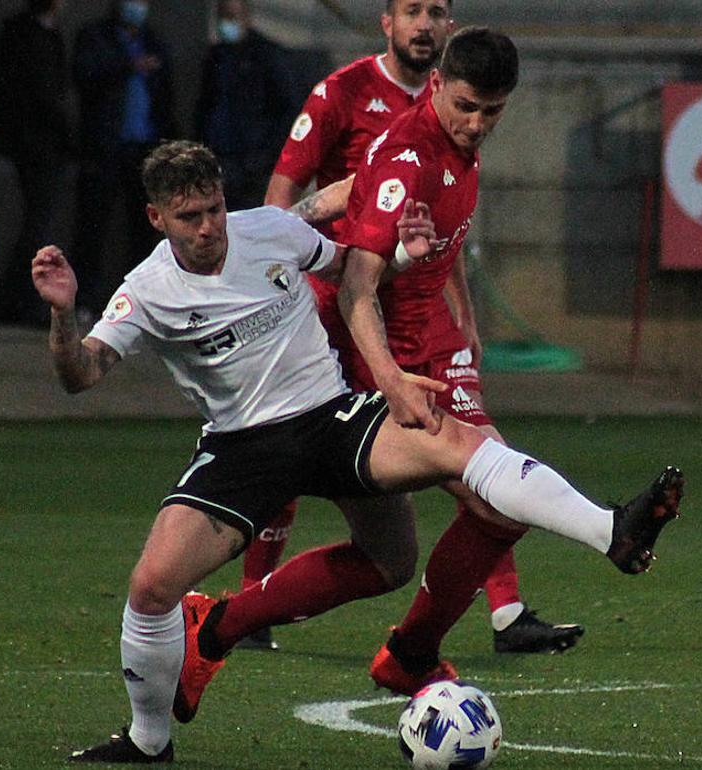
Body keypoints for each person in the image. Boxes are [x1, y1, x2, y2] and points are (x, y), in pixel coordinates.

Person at [31, 140, 683, 763]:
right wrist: (63, 316)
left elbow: (348, 271)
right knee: (151, 588)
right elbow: (81, 374)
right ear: (158, 217)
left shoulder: (271, 230)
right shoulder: (147, 288)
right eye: (189, 218)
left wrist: (399, 257)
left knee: (433, 486)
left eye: (214, 210)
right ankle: (149, 741)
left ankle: (612, 530)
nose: (208, 228)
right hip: (243, 449)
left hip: (332, 419)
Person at [252, 0, 583, 657]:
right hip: (348, 303)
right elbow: (290, 195)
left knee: (478, 454)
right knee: (288, 459)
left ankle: (504, 611)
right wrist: (267, 265)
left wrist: (460, 306)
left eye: (437, 10)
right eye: (413, 9)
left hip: (418, 309)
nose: (425, 23)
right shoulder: (343, 93)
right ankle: (250, 603)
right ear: (388, 21)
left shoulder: (463, 118)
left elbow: (440, 225)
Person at [335, 25, 580, 694]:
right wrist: (386, 376)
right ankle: (234, 617)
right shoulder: (369, 114)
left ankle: (476, 623)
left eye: (493, 112)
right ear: (437, 84)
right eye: (468, 107)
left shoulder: (455, 150)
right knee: (477, 500)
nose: (478, 125)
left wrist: (467, 316)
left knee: (496, 497)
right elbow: (358, 277)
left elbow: (443, 243)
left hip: (433, 337)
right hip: (376, 346)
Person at [73, 0, 178, 317]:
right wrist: (127, 66)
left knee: (144, 230)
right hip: (104, 148)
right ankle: (84, 301)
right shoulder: (95, 37)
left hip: (144, 149)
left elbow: (166, 98)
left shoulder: (154, 41)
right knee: (92, 228)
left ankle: (140, 303)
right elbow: (84, 75)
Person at [0, 0, 75, 326]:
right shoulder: (31, 34)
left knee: (36, 223)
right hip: (38, 143)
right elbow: (43, 92)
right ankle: (23, 303)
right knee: (39, 224)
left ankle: (14, 302)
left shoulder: (29, 32)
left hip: (35, 142)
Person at [194, 0, 298, 211]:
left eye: (232, 18)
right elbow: (206, 106)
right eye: (223, 18)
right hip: (219, 160)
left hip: (253, 166)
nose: (228, 24)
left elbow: (286, 111)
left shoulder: (267, 56)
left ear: (246, 17)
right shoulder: (217, 56)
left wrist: (262, 157)